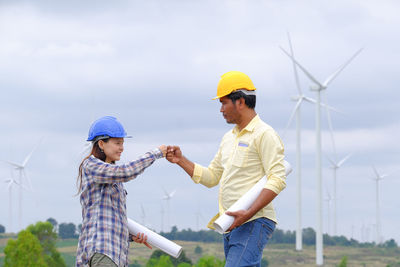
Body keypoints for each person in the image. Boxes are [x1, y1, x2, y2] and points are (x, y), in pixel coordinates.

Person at [166, 71, 287, 267]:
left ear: (240, 101)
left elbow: (277, 179)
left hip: (254, 221)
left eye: (224, 103)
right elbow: (212, 177)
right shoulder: (228, 138)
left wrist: (247, 214)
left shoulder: (265, 134)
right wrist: (181, 160)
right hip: (232, 224)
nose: (221, 109)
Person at [76, 116, 166, 267]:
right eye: (117, 143)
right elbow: (126, 172)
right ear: (101, 144)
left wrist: (130, 236)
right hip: (102, 251)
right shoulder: (91, 165)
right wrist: (156, 153)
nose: (122, 147)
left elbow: (109, 219)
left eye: (123, 143)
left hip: (115, 255)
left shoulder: (113, 179)